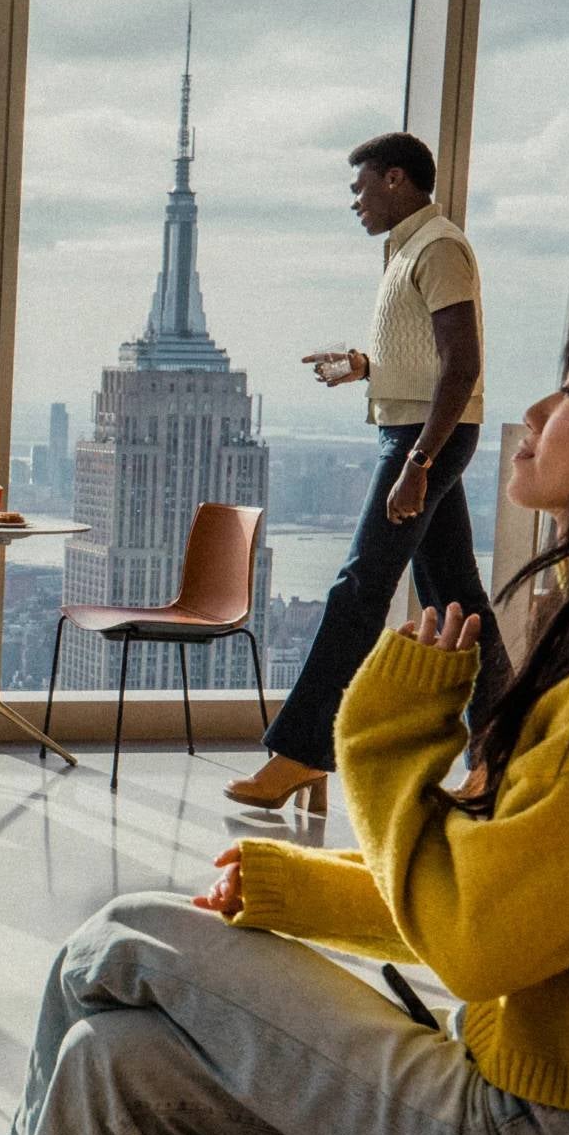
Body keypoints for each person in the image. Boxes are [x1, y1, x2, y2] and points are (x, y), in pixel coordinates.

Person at [6, 290, 569, 1135]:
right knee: (115, 1066)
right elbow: (502, 890)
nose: (535, 417)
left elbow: (475, 940)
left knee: (127, 935)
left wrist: (391, 734)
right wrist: (287, 886)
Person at [229, 132, 513, 812]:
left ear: (394, 179)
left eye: (360, 187)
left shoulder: (439, 247)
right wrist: (363, 365)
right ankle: (503, 751)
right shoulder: (409, 249)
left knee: (359, 588)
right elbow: (427, 356)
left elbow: (462, 364)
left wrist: (418, 463)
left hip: (423, 440)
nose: (354, 201)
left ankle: (299, 753)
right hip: (414, 431)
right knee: (458, 601)